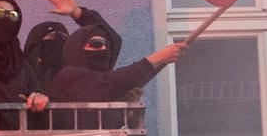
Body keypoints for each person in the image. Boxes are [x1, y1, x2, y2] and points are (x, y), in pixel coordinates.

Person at [44, 21, 185, 103]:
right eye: (96, 44)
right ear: (77, 48)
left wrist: (128, 105)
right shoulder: (68, 76)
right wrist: (157, 58)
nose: (104, 49)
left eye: (106, 45)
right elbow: (108, 83)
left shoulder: (105, 88)